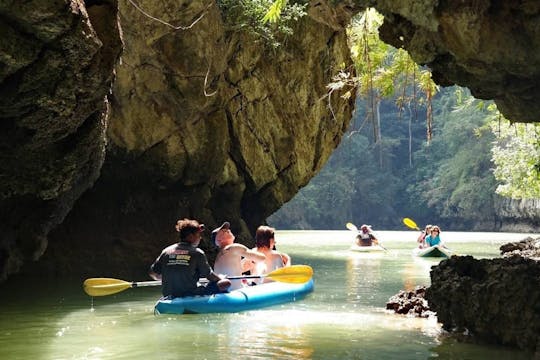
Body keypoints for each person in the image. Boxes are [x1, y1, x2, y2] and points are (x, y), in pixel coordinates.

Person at [149, 218, 231, 298]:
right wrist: (221, 278)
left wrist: (170, 278)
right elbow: (210, 276)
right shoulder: (197, 253)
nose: (200, 238)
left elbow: (153, 273)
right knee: (225, 283)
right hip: (190, 294)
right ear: (191, 236)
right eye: (198, 235)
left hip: (169, 295)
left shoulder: (166, 251)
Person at [213, 222, 266, 290]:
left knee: (249, 266)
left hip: (225, 291)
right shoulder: (234, 247)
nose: (228, 230)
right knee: (262, 266)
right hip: (236, 291)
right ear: (219, 240)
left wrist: (245, 262)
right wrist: (255, 250)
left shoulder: (220, 255)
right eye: (224, 231)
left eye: (227, 229)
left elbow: (231, 270)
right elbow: (262, 258)